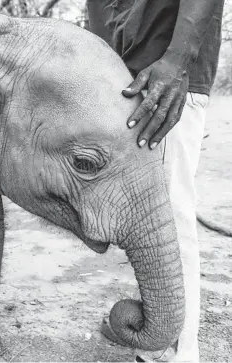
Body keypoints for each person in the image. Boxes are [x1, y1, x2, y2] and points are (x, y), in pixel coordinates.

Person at [86, 0, 225, 362]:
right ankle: (156, 333)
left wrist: (178, 61)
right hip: (118, 77)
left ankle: (182, 352)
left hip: (166, 77)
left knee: (168, 219)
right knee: (141, 222)